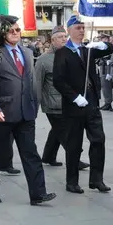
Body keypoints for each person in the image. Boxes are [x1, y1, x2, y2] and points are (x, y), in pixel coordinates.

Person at [0, 15, 56, 205]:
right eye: (10, 30)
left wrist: (34, 104)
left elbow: (30, 81)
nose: (15, 33)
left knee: (31, 154)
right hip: (1, 114)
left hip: (25, 114)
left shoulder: (27, 53)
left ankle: (38, 193)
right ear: (2, 33)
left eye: (17, 30)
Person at [53, 15, 113, 194]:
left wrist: (103, 45)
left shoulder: (89, 49)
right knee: (74, 145)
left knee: (98, 140)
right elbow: (58, 80)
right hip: (74, 106)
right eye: (78, 27)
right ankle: (72, 181)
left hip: (92, 104)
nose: (81, 30)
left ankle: (97, 179)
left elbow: (109, 49)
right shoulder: (63, 53)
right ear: (69, 30)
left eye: (83, 27)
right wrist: (74, 97)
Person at [34, 27, 67, 168]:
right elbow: (37, 83)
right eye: (60, 37)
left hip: (67, 102)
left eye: (65, 36)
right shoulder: (43, 60)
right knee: (65, 132)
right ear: (52, 40)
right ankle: (75, 157)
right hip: (52, 103)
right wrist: (35, 105)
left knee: (57, 131)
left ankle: (48, 156)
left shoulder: (69, 55)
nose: (64, 39)